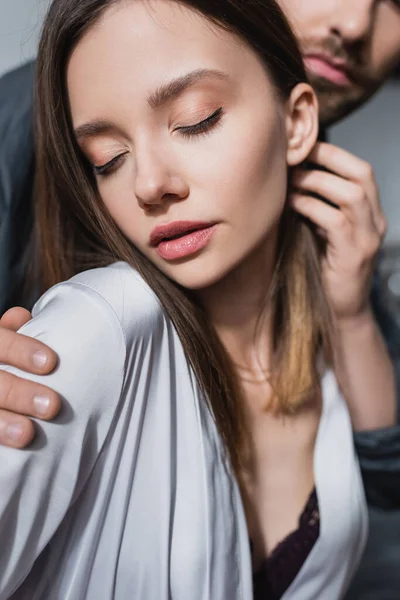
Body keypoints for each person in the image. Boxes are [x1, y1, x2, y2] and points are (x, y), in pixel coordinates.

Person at [0, 0, 397, 598]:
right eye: (105, 160)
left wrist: (351, 315)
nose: (149, 185)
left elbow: (385, 475)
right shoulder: (97, 330)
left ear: (297, 122)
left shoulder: (323, 298)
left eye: (196, 120)